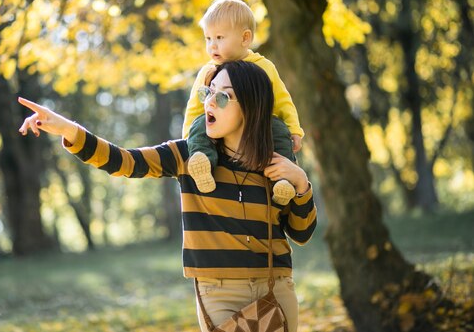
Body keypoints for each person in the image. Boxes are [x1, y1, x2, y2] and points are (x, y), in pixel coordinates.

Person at [18, 61, 317, 332]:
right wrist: (69, 129)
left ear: (251, 108)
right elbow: (126, 161)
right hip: (218, 293)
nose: (210, 102)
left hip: (275, 287)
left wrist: (301, 184)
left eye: (223, 96)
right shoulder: (190, 155)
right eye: (208, 92)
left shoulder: (276, 160)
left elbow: (302, 234)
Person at [184, 0, 304, 205]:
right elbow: (194, 107)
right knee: (200, 124)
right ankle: (202, 161)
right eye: (208, 38)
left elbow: (283, 100)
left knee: (278, 129)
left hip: (257, 126)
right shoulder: (208, 71)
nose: (212, 45)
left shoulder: (263, 67)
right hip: (222, 129)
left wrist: (294, 129)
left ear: (245, 38)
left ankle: (283, 182)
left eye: (219, 37)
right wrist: (187, 136)